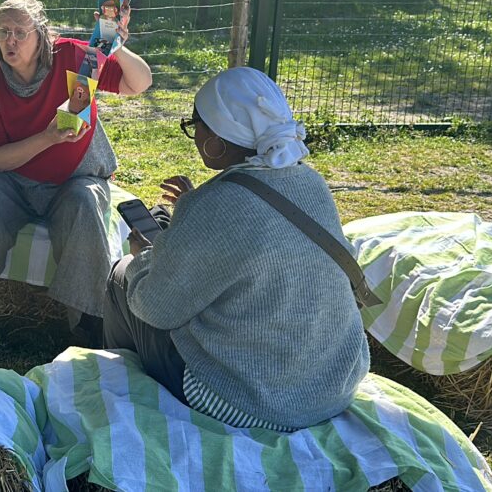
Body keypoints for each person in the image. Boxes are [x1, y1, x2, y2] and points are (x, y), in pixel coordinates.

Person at [103, 67, 370, 431]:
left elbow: (157, 308)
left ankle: (124, 387)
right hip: (330, 388)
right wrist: (192, 211)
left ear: (216, 137)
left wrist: (141, 259)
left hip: (251, 402)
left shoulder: (215, 204)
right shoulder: (311, 182)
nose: (194, 134)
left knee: (123, 278)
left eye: (194, 124)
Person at [0, 0, 152, 342]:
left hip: (77, 177)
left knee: (85, 205)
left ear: (41, 33)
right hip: (14, 179)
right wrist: (47, 138)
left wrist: (115, 45)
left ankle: (91, 323)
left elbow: (139, 83)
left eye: (20, 32)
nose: (10, 40)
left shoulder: (73, 56)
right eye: (2, 32)